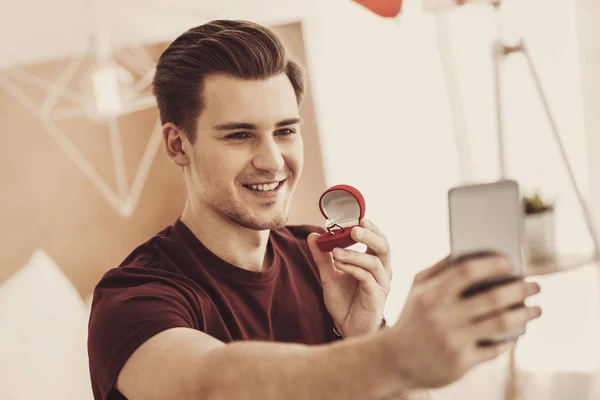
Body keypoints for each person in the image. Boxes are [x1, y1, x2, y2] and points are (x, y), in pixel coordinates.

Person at [87, 20, 542, 400]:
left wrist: (365, 333)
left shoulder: (323, 260)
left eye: (285, 131)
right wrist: (396, 352)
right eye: (239, 135)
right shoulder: (133, 298)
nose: (271, 160)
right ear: (177, 144)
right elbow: (213, 381)